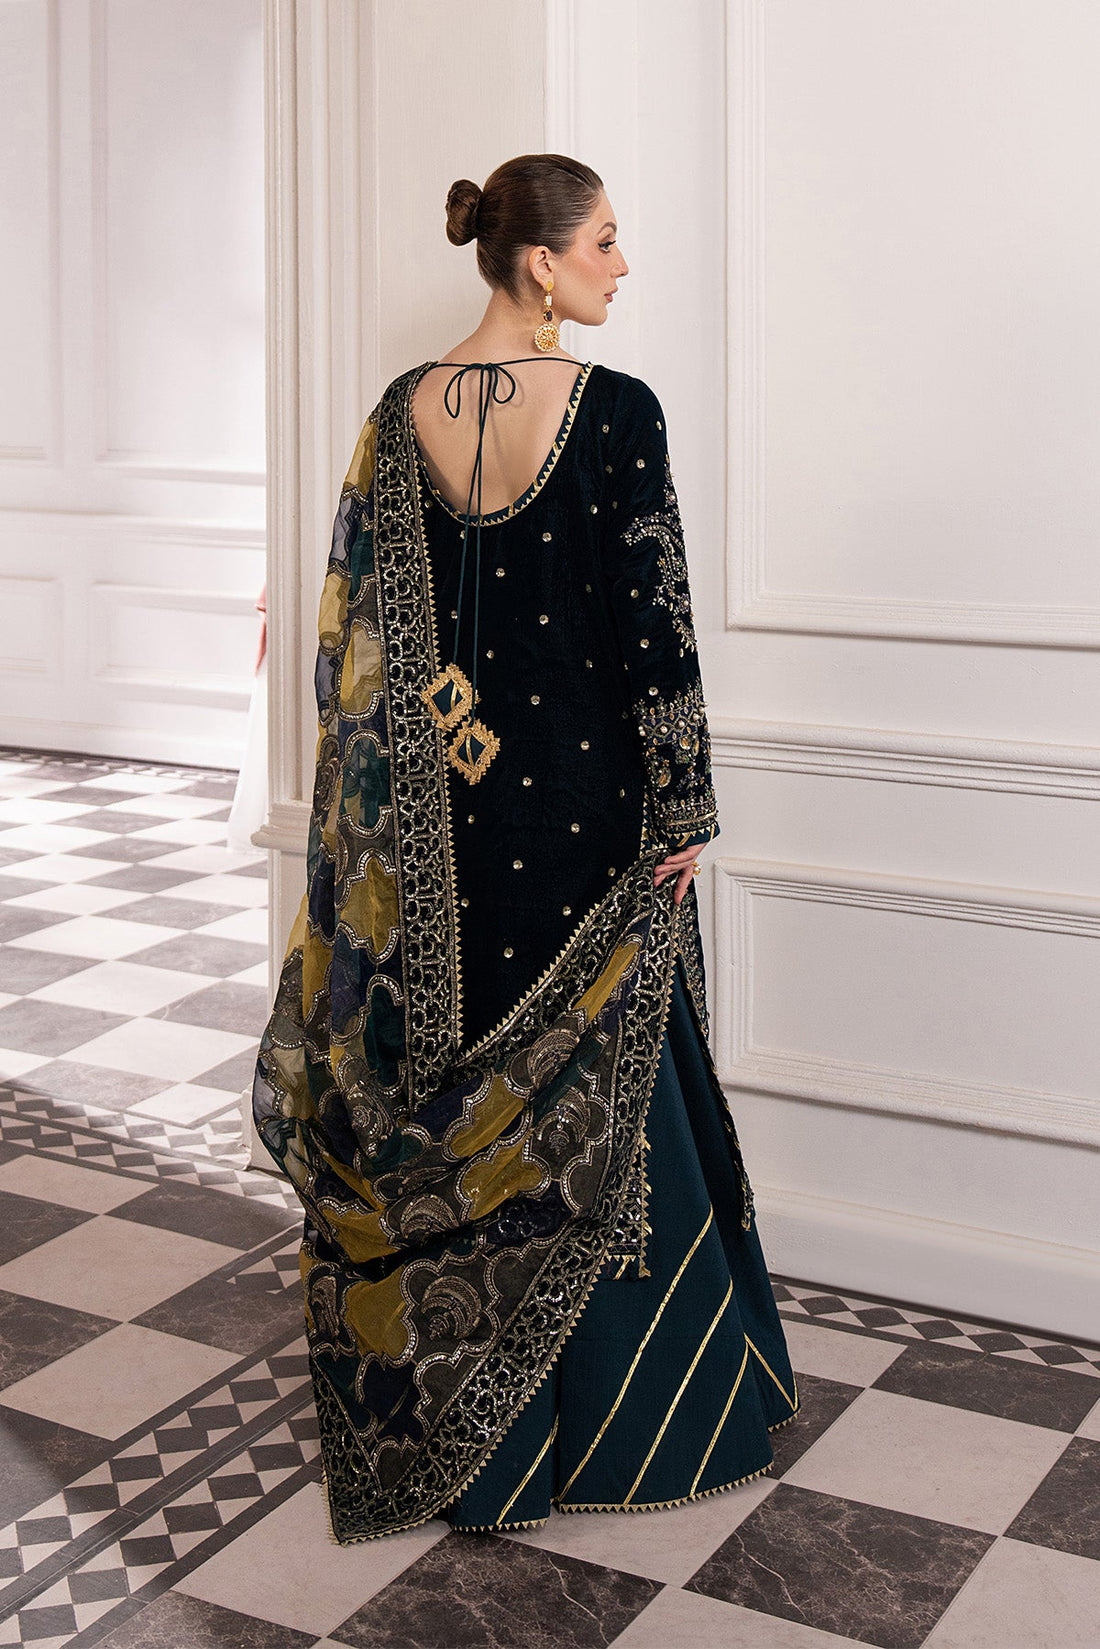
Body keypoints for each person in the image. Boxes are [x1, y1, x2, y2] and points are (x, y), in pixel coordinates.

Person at [252, 153, 799, 1546]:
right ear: (540, 263)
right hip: (589, 815)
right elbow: (653, 625)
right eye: (606, 241)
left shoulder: (399, 414)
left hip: (445, 833)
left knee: (464, 1090)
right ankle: (637, 1423)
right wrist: (684, 805)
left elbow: (357, 647)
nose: (623, 264)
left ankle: (471, 1438)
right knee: (602, 1091)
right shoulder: (616, 411)